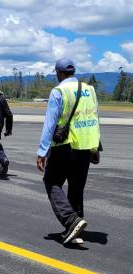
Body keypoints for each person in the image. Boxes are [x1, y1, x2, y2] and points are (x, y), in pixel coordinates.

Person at [36, 58, 101, 245]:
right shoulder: (90, 90)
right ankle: (75, 230)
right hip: (86, 145)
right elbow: (94, 118)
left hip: (65, 145)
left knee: (52, 181)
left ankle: (71, 221)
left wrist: (42, 152)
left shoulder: (59, 91)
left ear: (59, 73)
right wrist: (95, 147)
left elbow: (50, 124)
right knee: (76, 187)